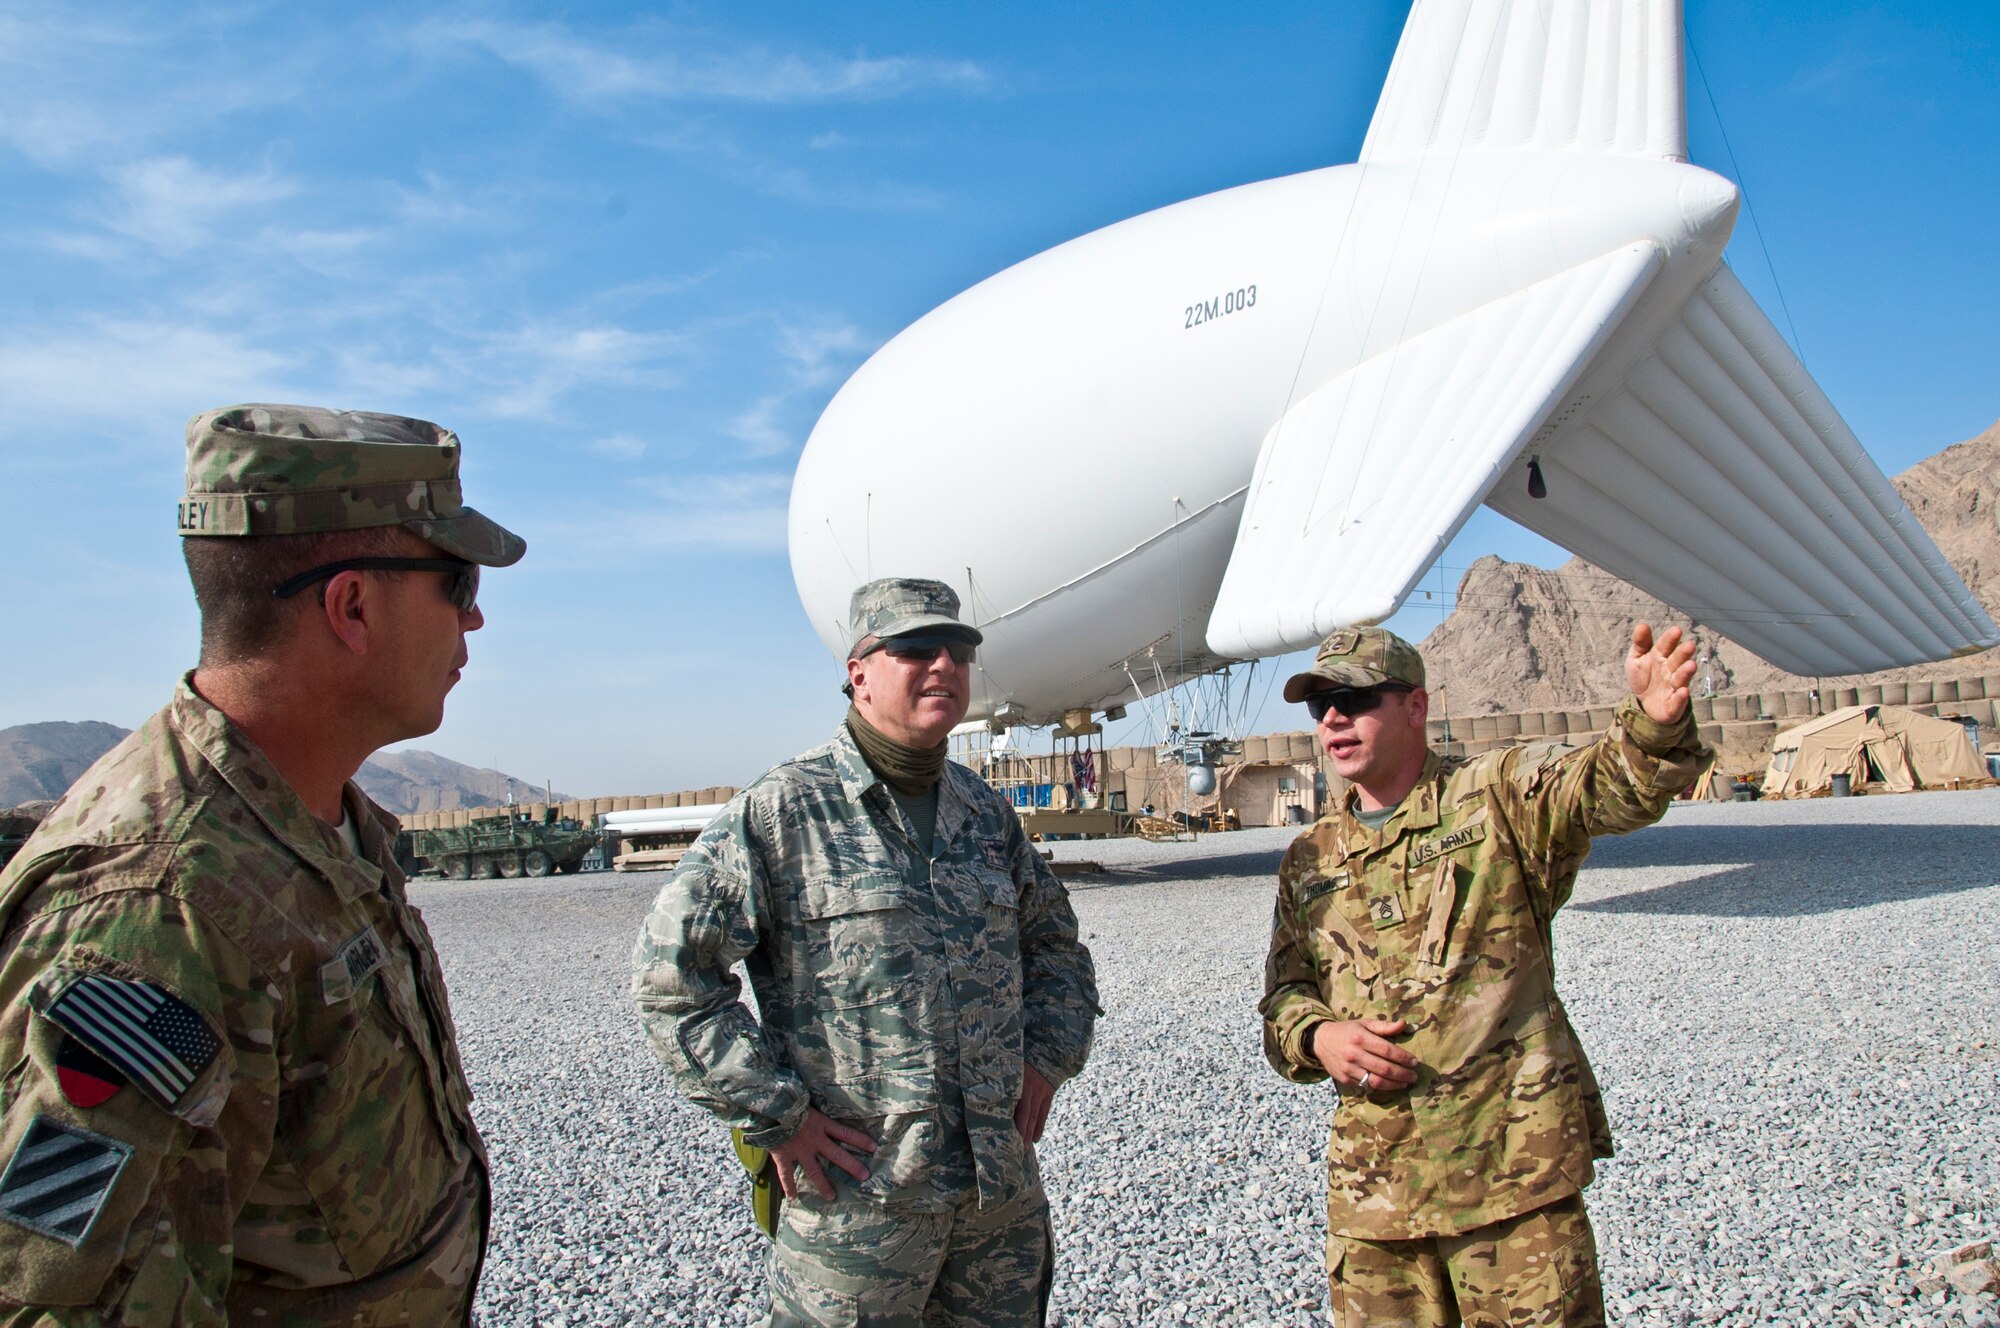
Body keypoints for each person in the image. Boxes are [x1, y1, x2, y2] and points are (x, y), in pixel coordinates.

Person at [0, 404, 524, 1322]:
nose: (474, 615)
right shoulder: (160, 905)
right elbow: (65, 1301)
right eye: (455, 579)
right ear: (353, 605)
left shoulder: (314, 824)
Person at [633, 577, 1099, 1328]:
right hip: (860, 1213)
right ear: (859, 672)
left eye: (958, 650)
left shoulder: (984, 814)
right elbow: (672, 978)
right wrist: (777, 1114)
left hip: (997, 1208)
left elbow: (1055, 946)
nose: (943, 665)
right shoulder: (785, 811)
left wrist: (1047, 1056)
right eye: (915, 649)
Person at [1260, 623, 1706, 1327]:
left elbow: (1611, 787)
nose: (1335, 719)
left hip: (1514, 1192)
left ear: (1415, 708)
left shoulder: (1497, 799)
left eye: (1356, 699)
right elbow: (1284, 998)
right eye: (1320, 707)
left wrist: (1654, 724)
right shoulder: (1311, 857)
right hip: (1377, 1205)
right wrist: (1320, 1040)